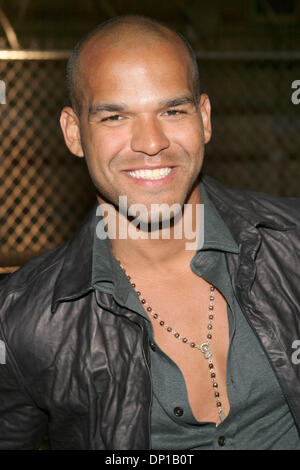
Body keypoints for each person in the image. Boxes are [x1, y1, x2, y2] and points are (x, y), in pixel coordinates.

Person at [0, 14, 300, 451]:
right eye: (115, 116)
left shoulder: (291, 245)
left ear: (205, 118)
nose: (151, 142)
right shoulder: (23, 322)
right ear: (74, 133)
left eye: (172, 110)